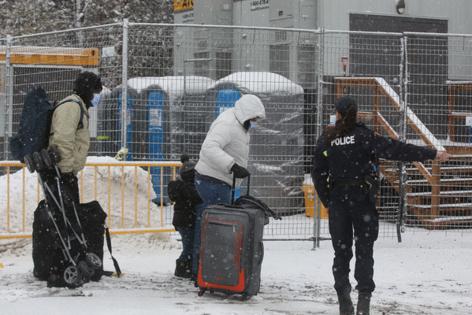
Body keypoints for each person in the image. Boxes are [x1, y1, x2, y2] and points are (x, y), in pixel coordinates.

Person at [311, 96, 449, 315]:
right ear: (355, 114)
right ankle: (364, 300)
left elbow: (317, 172)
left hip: (339, 201)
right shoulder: (365, 136)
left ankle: (343, 298)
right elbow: (397, 149)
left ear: (337, 114)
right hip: (362, 201)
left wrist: (328, 199)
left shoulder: (327, 138)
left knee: (341, 252)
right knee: (365, 251)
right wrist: (431, 154)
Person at [192, 94, 266, 278]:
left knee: (211, 227)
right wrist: (232, 165)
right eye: (253, 118)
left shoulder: (239, 123)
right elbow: (209, 148)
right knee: (214, 228)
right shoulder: (228, 124)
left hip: (220, 181)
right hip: (212, 181)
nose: (254, 122)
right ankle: (204, 271)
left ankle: (205, 269)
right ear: (246, 114)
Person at [48, 71, 103, 204]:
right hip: (61, 173)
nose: (97, 97)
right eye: (96, 92)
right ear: (88, 90)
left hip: (64, 173)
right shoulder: (72, 106)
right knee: (66, 218)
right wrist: (66, 172)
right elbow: (62, 139)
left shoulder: (78, 106)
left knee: (68, 218)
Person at [168, 155, 202, 279]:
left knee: (188, 245)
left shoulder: (179, 186)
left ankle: (185, 267)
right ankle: (181, 269)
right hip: (185, 221)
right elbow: (196, 198)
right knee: (189, 246)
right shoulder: (187, 188)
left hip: (182, 221)